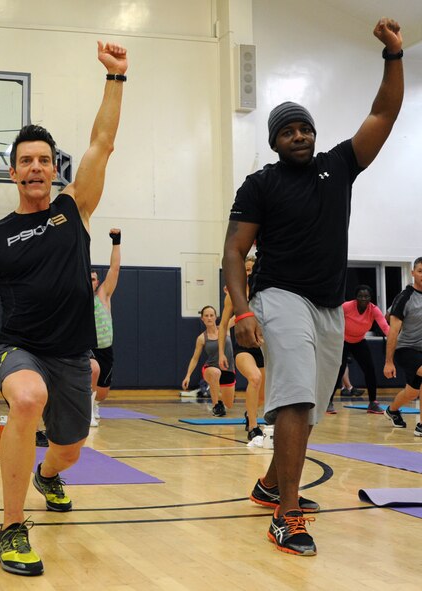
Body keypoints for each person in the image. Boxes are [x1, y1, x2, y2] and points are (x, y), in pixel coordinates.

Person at [0, 41, 128, 577]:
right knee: (27, 398)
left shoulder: (75, 209)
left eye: (44, 160)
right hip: (19, 349)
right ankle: (11, 526)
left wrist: (116, 78)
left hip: (73, 355)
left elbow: (103, 143)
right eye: (26, 161)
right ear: (12, 173)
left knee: (69, 449)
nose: (36, 168)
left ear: (53, 170)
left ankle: (50, 475)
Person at [222, 18, 403, 557]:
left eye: (304, 128)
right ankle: (287, 516)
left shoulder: (339, 167)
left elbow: (384, 112)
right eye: (287, 131)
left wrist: (394, 55)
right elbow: (234, 251)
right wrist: (240, 311)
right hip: (280, 297)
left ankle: (271, 484)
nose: (298, 135)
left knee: (313, 408)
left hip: (328, 306)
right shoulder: (261, 184)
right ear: (275, 141)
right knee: (297, 395)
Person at [218, 256, 266, 441]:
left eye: (252, 270)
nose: (249, 273)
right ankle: (253, 427)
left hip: (262, 347)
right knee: (255, 378)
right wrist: (222, 352)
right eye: (246, 270)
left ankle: (250, 414)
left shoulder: (264, 294)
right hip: (243, 347)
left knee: (261, 397)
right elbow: (223, 325)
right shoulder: (234, 295)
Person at [325, 284, 389, 414]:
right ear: (356, 297)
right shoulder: (347, 306)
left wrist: (396, 340)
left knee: (370, 370)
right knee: (339, 370)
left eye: (366, 296)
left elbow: (385, 327)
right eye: (360, 296)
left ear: (370, 298)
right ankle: (328, 402)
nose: (363, 298)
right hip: (343, 341)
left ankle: (373, 403)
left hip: (359, 341)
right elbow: (332, 319)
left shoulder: (374, 310)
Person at [383, 257, 422, 436]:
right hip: (406, 349)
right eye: (420, 271)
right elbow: (393, 332)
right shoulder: (405, 297)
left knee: (412, 392)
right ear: (412, 273)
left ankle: (392, 410)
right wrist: (388, 362)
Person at [88, 228, 121, 427]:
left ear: (97, 281)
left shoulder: (103, 296)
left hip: (105, 348)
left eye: (93, 279)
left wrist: (116, 242)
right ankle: (88, 409)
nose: (90, 281)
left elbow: (114, 269)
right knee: (92, 369)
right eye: (87, 278)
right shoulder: (78, 297)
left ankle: (94, 403)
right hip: (86, 347)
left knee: (103, 392)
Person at [182, 306, 235, 417]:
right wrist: (188, 375)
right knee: (216, 372)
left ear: (216, 317)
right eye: (206, 316)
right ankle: (216, 406)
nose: (209, 318)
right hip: (210, 369)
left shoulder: (225, 328)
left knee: (229, 404)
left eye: (211, 315)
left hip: (228, 370)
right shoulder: (202, 338)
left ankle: (216, 395)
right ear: (202, 319)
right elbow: (195, 358)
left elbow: (238, 315)